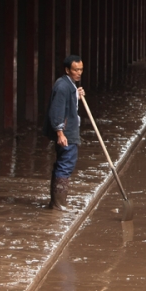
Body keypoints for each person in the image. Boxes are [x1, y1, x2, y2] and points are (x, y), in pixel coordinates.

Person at [44, 55, 85, 210]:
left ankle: (57, 202)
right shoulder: (62, 86)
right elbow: (57, 111)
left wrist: (76, 95)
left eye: (81, 69)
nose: (79, 73)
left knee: (62, 165)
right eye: (76, 70)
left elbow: (69, 105)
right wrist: (60, 133)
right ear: (67, 70)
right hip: (67, 134)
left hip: (69, 131)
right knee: (65, 165)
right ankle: (58, 203)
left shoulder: (69, 85)